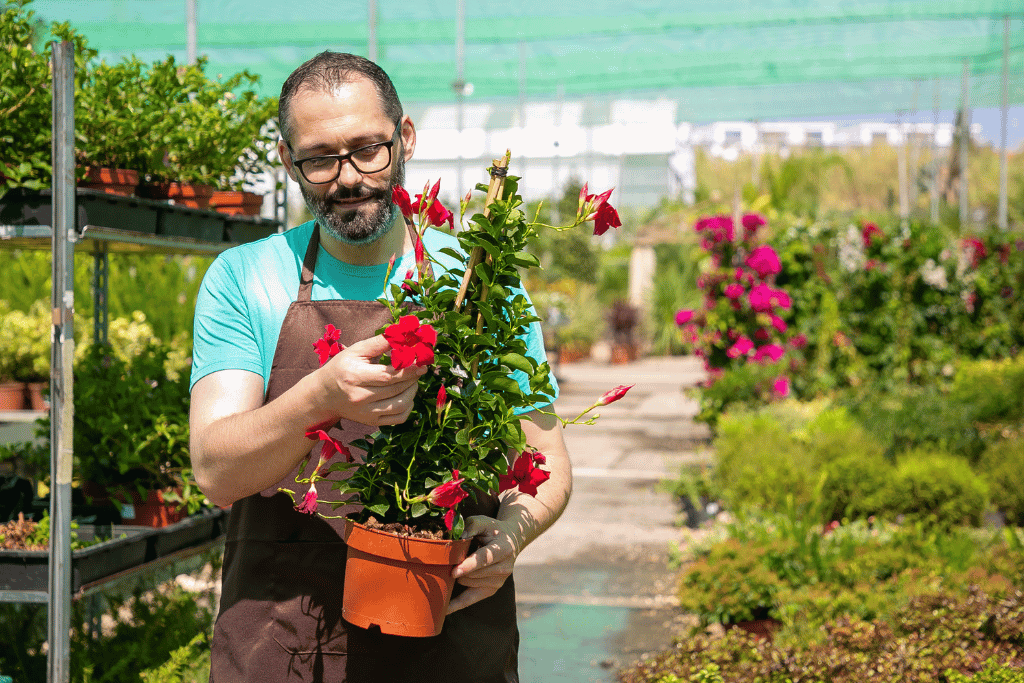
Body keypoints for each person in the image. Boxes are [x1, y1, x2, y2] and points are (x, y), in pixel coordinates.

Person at [188, 51, 572, 682]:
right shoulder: (244, 278)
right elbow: (215, 470)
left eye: (369, 148)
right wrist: (320, 396)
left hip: (451, 630)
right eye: (319, 157)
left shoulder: (478, 282)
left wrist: (511, 536)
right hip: (284, 641)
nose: (348, 177)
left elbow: (548, 460)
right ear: (288, 162)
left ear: (406, 138)